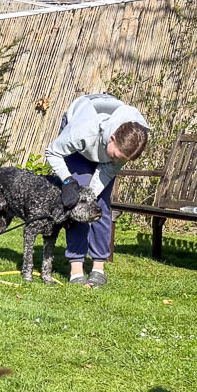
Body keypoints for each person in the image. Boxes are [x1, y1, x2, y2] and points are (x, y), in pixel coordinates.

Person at [44, 93, 149, 288]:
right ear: (112, 138)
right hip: (82, 138)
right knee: (79, 205)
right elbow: (53, 152)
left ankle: (98, 268)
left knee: (99, 205)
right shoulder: (82, 131)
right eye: (117, 156)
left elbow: (108, 169)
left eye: (124, 160)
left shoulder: (130, 142)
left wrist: (91, 195)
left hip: (101, 142)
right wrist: (68, 182)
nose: (118, 162)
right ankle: (76, 268)